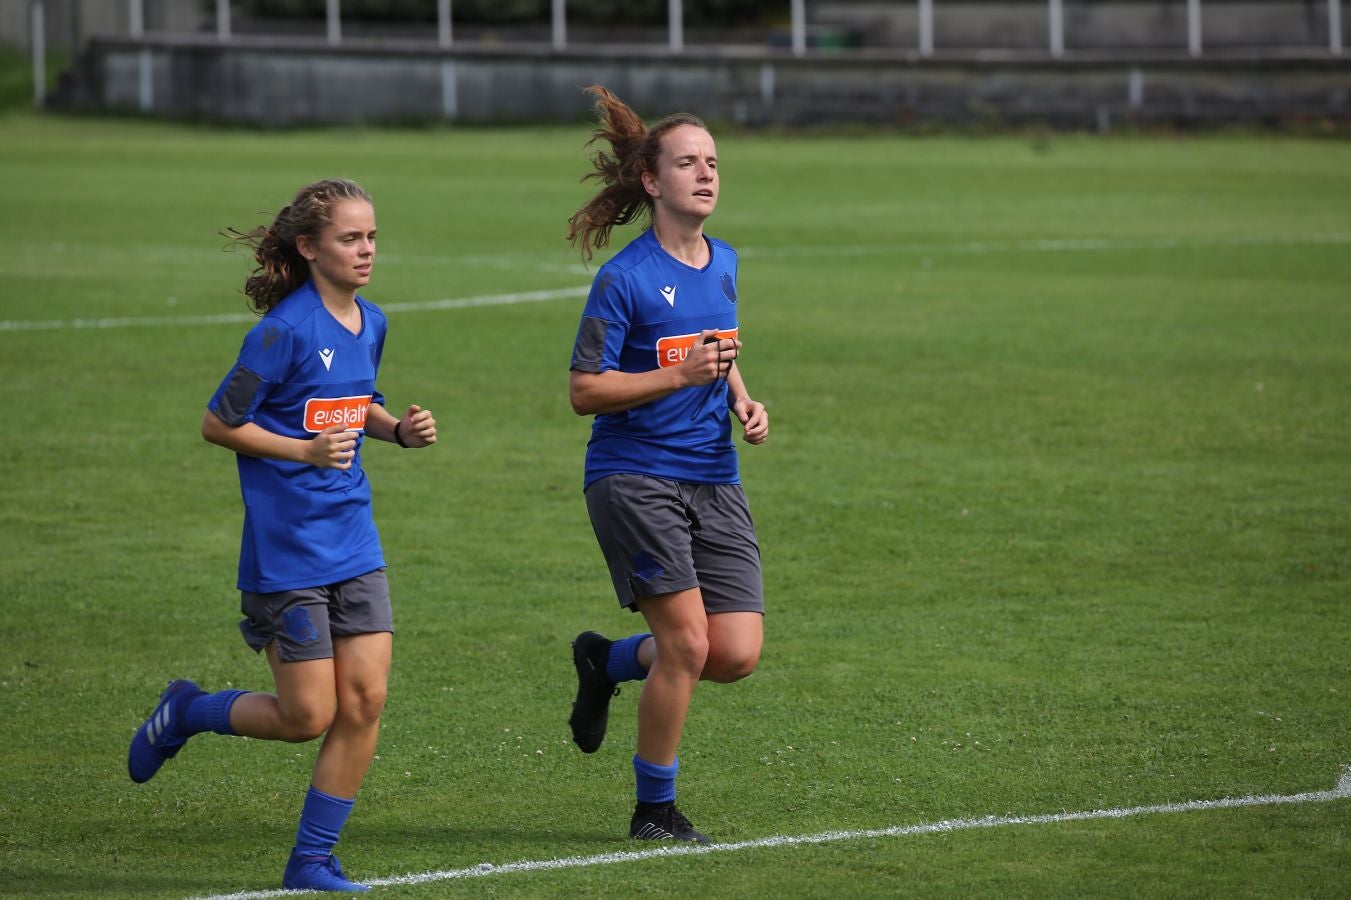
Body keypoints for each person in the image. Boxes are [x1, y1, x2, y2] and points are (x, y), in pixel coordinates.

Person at [127, 178, 437, 892]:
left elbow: (356, 405)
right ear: (309, 248)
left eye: (372, 237)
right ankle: (189, 710)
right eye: (350, 239)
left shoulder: (373, 322)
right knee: (307, 715)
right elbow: (218, 423)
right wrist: (303, 451)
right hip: (287, 553)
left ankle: (310, 863)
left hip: (354, 542)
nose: (366, 251)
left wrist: (398, 432)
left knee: (364, 701)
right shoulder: (283, 331)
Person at [564, 85, 770, 844]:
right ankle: (654, 810)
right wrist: (676, 378)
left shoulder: (724, 262)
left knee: (735, 653)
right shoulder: (623, 279)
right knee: (687, 645)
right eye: (688, 162)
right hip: (632, 475)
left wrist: (742, 398)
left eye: (712, 162)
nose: (706, 174)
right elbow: (584, 390)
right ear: (653, 182)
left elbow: (717, 344)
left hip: (713, 473)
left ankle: (607, 662)